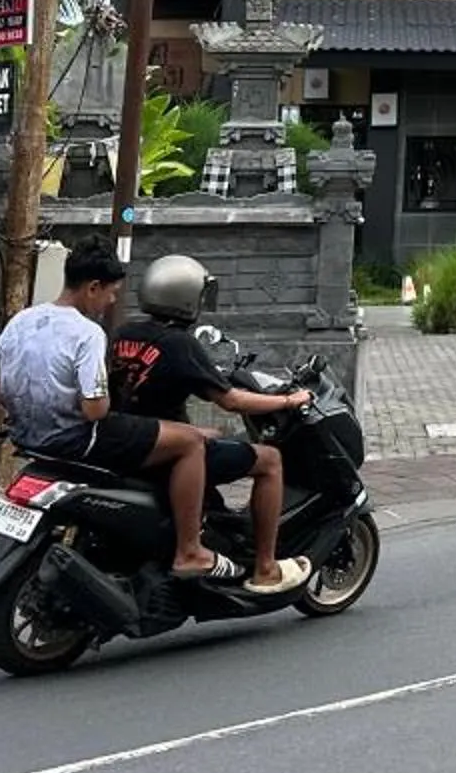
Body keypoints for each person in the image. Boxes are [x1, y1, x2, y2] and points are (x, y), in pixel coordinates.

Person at [0, 245, 220, 579]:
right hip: (80, 440)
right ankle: (190, 550)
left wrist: (19, 405)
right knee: (190, 441)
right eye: (111, 293)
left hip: (29, 437)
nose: (112, 301)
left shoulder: (24, 318)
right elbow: (94, 409)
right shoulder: (88, 333)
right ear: (92, 287)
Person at [111, 255, 313, 598]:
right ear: (186, 298)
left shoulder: (125, 332)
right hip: (167, 453)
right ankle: (266, 568)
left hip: (132, 439)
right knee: (269, 461)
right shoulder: (180, 344)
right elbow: (231, 400)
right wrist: (288, 401)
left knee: (212, 436)